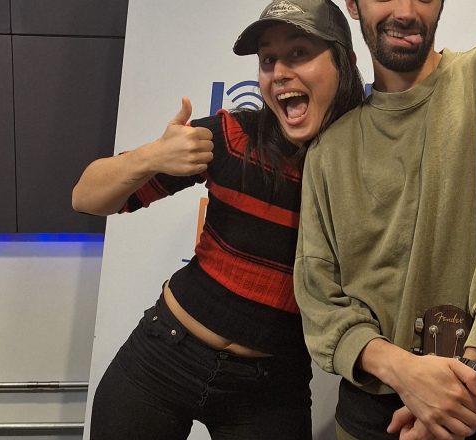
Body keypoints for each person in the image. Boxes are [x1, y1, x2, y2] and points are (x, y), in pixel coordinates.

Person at [72, 1, 364, 438]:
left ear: (344, 61)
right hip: (164, 355)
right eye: (268, 60)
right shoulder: (233, 135)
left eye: (299, 53)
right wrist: (152, 156)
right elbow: (86, 197)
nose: (279, 72)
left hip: (270, 389)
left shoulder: (366, 164)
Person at [294, 0, 476, 439]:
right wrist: (404, 372)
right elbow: (319, 296)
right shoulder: (329, 151)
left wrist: (468, 382)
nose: (405, 11)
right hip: (375, 417)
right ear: (352, 4)